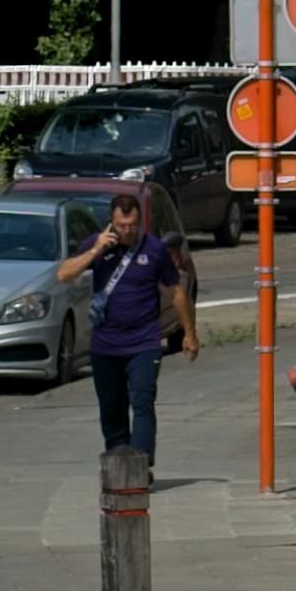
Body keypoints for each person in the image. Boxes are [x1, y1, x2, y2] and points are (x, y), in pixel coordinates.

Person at [83, 175, 192, 478]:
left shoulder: (154, 249)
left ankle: (140, 462)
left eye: (132, 225)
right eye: (121, 226)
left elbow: (177, 290)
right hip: (105, 344)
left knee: (142, 401)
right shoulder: (98, 245)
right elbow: (64, 274)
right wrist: (94, 252)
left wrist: (189, 334)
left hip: (144, 342)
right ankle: (120, 462)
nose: (126, 231)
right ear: (111, 222)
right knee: (111, 407)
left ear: (140, 221)